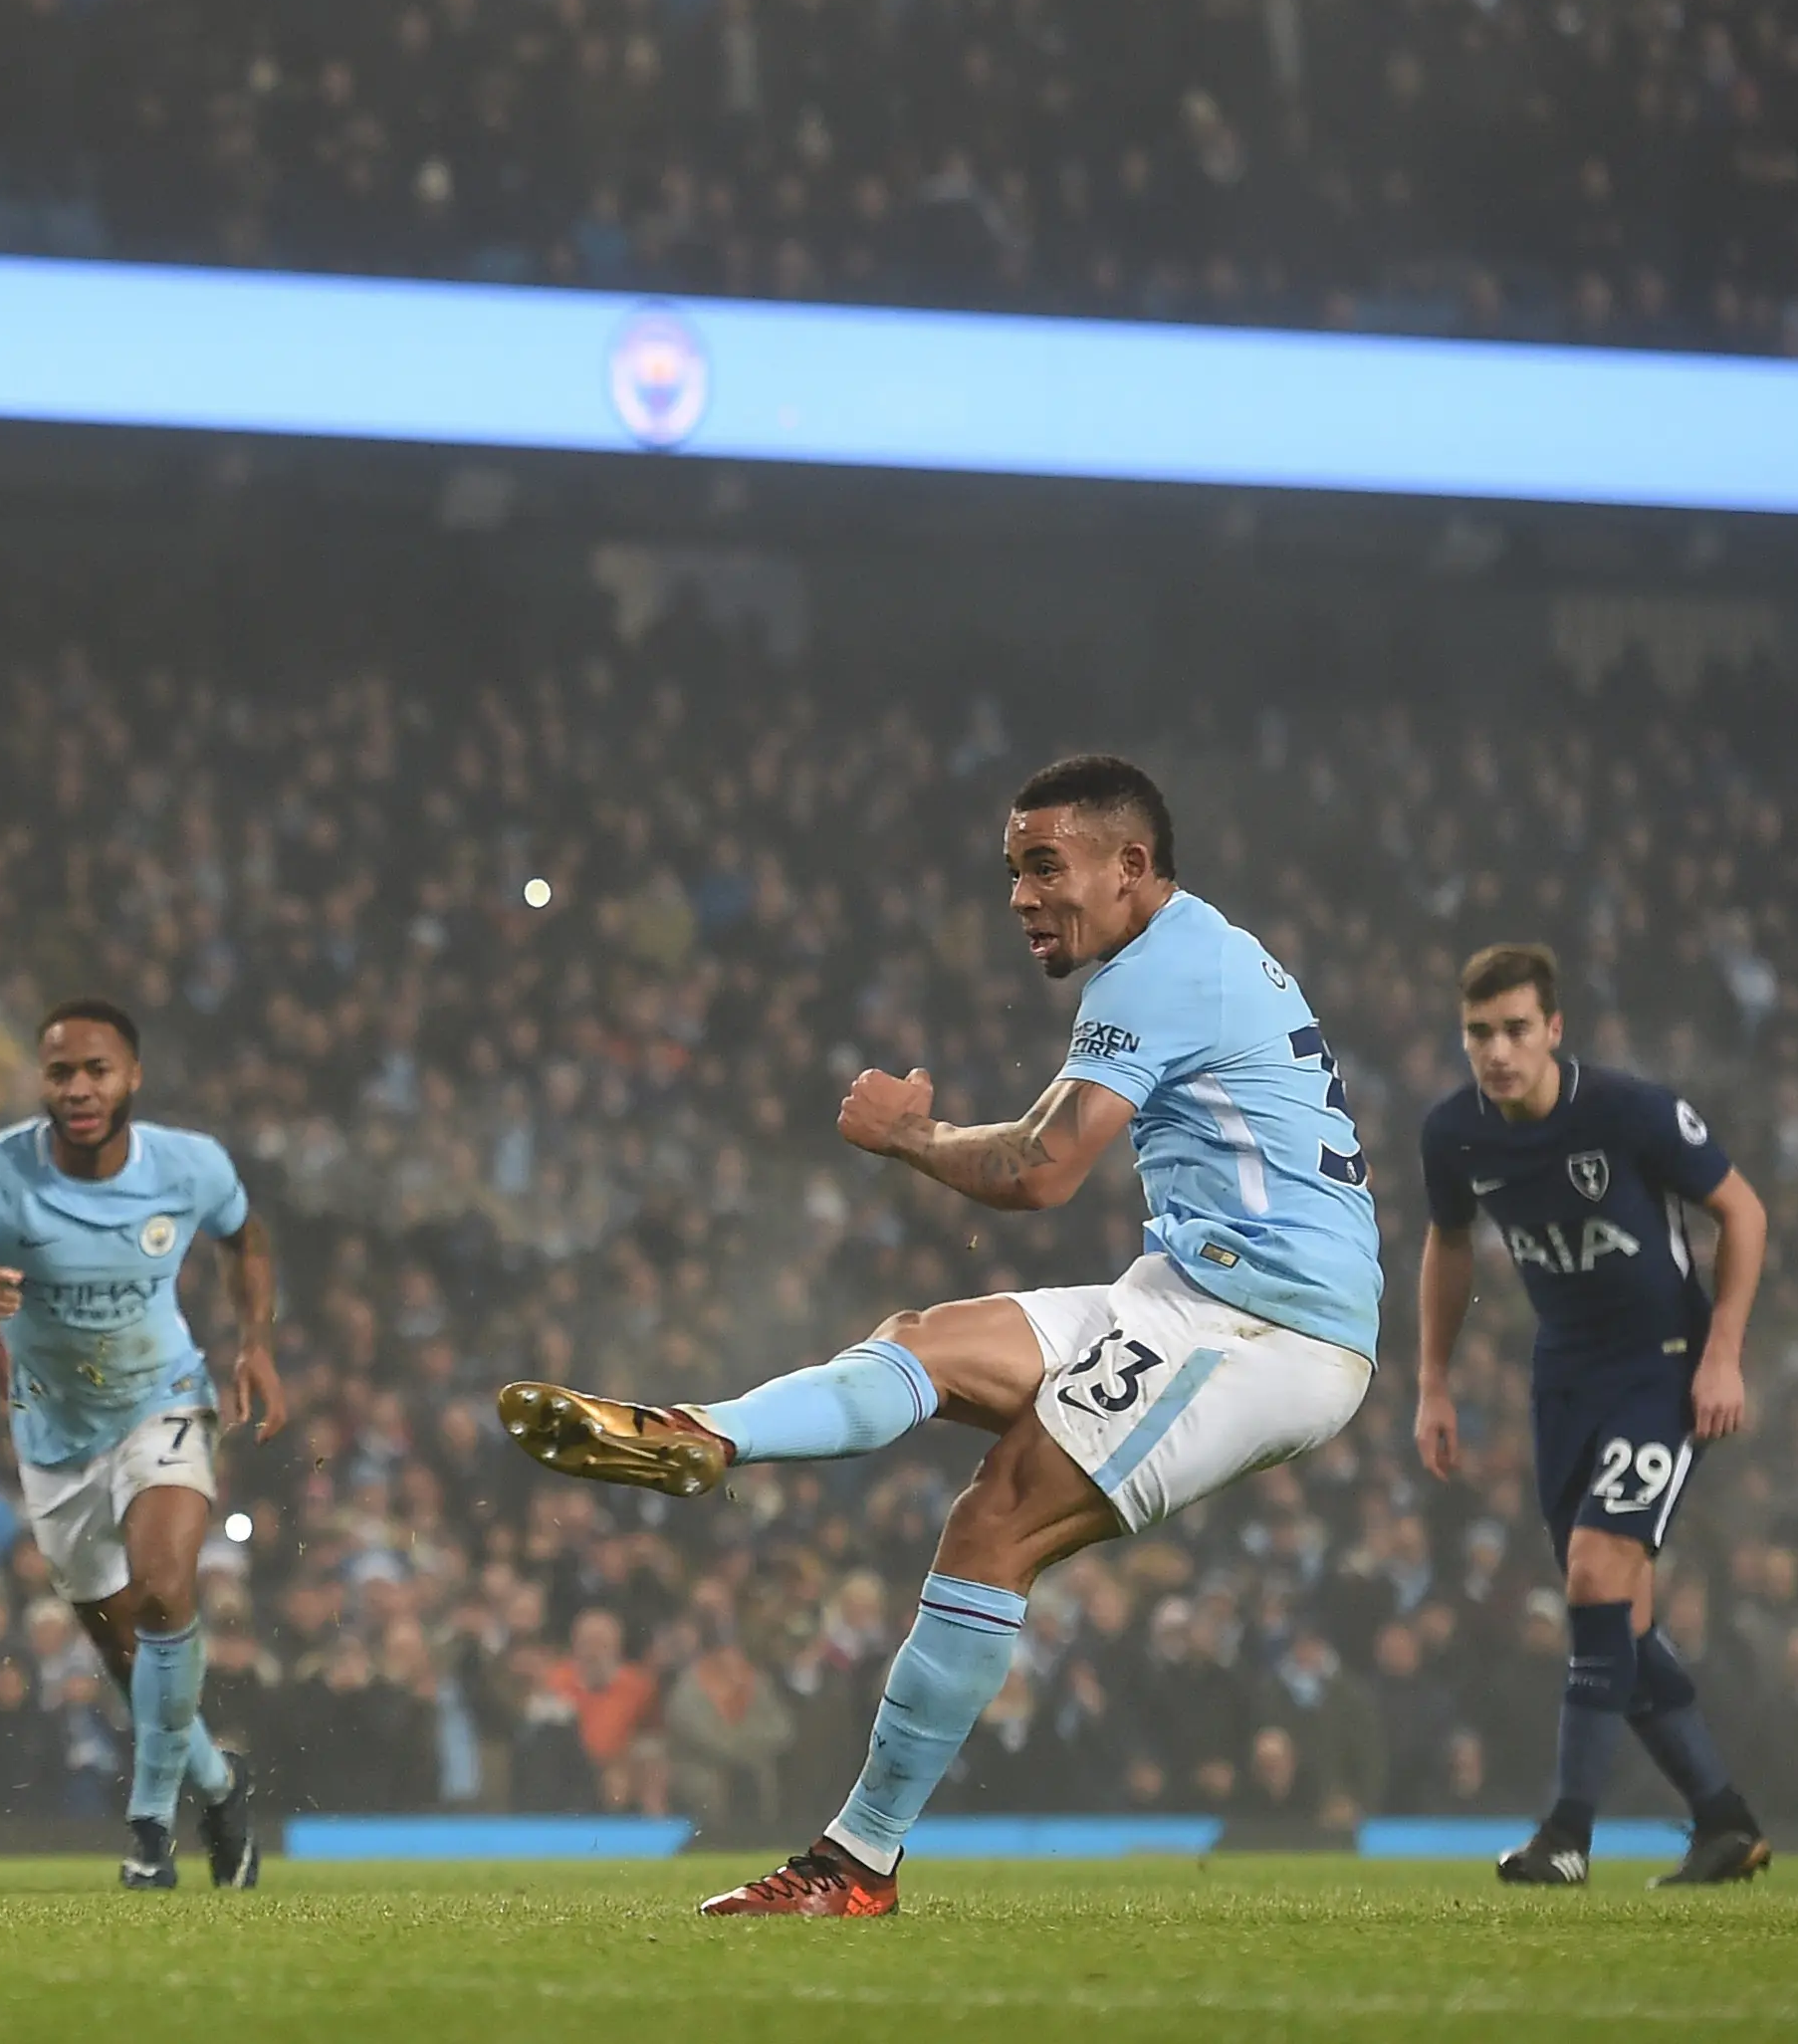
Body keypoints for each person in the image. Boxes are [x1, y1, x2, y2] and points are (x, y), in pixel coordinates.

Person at [497, 756, 1382, 1917]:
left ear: (1130, 865)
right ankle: (701, 1433)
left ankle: (857, 1860)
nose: (1018, 895)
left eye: (1041, 866)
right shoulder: (1182, 952)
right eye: (1011, 870)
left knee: (999, 1509)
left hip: (1272, 1327)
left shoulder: (1163, 969)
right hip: (1185, 1287)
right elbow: (1046, 1147)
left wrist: (909, 1137)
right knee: (926, 1339)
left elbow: (1039, 1169)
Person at [0, 999, 282, 1891]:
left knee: (167, 1591)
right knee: (127, 1659)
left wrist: (256, 1340)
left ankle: (148, 1833)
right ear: (41, 1083)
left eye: (97, 1069)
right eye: (61, 1072)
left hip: (164, 1399)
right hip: (55, 1438)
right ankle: (218, 1789)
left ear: (132, 1077)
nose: (79, 1088)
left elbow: (245, 1237)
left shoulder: (190, 1165)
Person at [1414, 943, 1773, 1887]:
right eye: (1479, 1034)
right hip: (1564, 1381)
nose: (1497, 1051)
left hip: (1662, 1373)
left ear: (1554, 1030)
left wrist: (1724, 1355)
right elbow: (1448, 1245)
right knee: (1619, 1618)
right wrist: (1434, 1383)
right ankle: (1725, 1822)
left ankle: (1568, 1834)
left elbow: (1742, 1211)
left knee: (1593, 1573)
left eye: (1516, 1030)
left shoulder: (1627, 1110)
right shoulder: (1454, 1134)